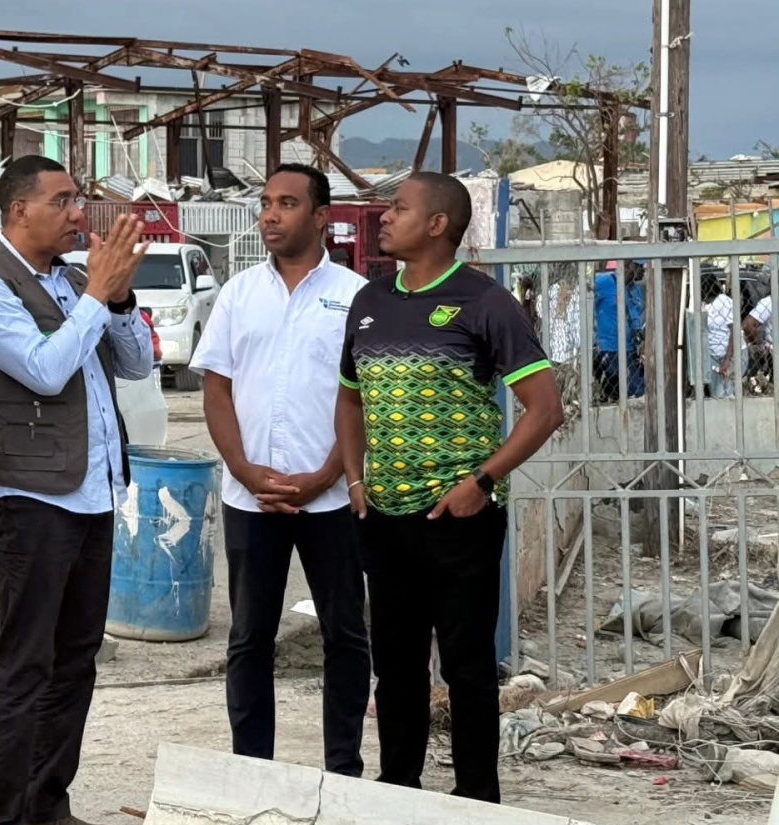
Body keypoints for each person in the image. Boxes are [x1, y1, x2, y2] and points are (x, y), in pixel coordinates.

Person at [335, 171, 564, 804]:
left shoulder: (485, 302)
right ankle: (400, 792)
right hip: (384, 515)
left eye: (399, 208)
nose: (384, 217)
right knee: (397, 667)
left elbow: (545, 408)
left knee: (466, 668)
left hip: (460, 515)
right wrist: (356, 480)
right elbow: (349, 400)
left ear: (438, 225)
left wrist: (480, 482)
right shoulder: (369, 301)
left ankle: (473, 800)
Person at [0, 155, 153, 825]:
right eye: (63, 201)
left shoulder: (71, 282)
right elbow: (45, 370)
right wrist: (98, 293)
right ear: (17, 211)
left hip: (92, 494)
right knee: (23, 668)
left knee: (74, 663)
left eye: (80, 199)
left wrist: (116, 298)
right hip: (30, 498)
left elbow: (138, 362)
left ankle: (46, 805)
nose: (78, 214)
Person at [188, 163, 371, 776]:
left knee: (345, 636)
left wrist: (328, 474)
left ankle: (341, 767)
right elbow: (216, 389)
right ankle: (252, 770)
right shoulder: (238, 293)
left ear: (321, 217)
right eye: (265, 202)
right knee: (248, 640)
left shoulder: (354, 297)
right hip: (251, 500)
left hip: (331, 501)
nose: (269, 214)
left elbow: (367, 396)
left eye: (286, 203)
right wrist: (242, 469)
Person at [592, 260, 645, 401]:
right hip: (609, 349)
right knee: (615, 394)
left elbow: (636, 317)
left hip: (631, 350)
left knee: (638, 393)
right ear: (628, 267)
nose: (643, 270)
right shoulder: (603, 283)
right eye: (639, 266)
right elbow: (586, 301)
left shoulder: (635, 291)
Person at [702, 271, 738, 398]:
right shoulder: (705, 305)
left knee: (725, 395)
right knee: (716, 395)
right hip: (713, 356)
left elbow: (735, 331)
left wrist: (727, 360)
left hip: (728, 355)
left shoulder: (724, 301)